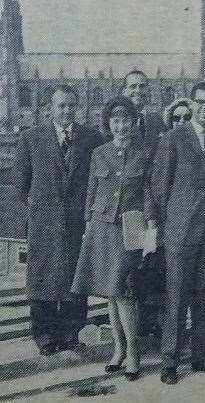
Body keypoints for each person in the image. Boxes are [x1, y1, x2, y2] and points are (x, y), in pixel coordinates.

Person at [13, 85, 103, 356]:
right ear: (50, 108)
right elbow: (20, 184)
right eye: (61, 106)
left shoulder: (91, 138)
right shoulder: (31, 138)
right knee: (42, 280)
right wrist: (38, 209)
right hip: (44, 222)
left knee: (76, 280)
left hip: (77, 222)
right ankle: (45, 336)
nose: (66, 111)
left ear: (77, 107)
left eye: (71, 106)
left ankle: (71, 333)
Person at [71, 96, 156, 381]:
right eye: (116, 121)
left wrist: (150, 227)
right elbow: (91, 191)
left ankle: (133, 353)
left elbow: (148, 193)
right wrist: (87, 224)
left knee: (125, 291)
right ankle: (118, 349)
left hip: (132, 225)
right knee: (110, 291)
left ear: (134, 123)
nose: (121, 127)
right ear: (108, 123)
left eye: (126, 121)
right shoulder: (99, 153)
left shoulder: (145, 153)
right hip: (101, 225)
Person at [152, 82, 205, 384]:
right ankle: (169, 361)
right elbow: (160, 187)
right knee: (176, 296)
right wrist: (160, 228)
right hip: (180, 232)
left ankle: (202, 356)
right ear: (192, 104)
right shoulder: (173, 138)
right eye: (201, 103)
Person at [122, 69, 167, 338]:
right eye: (132, 87)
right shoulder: (114, 120)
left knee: (152, 264)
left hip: (153, 206)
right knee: (127, 269)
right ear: (124, 90)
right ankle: (132, 331)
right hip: (127, 207)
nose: (138, 92)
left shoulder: (156, 123)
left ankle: (151, 323)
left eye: (142, 87)